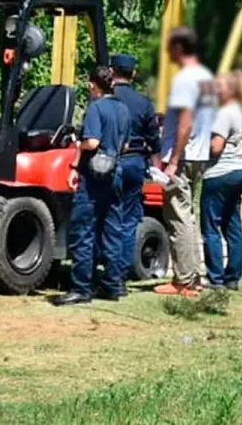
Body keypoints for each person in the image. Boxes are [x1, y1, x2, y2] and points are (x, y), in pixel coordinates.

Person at [53, 66, 131, 306]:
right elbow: (125, 146)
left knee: (84, 231)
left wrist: (79, 148)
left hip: (94, 176)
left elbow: (93, 141)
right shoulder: (123, 109)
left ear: (92, 84)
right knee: (112, 230)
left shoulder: (96, 108)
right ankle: (113, 284)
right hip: (116, 172)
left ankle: (81, 288)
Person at [154, 26, 216, 297]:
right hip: (199, 155)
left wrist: (173, 160)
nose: (167, 52)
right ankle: (194, 276)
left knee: (177, 218)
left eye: (169, 47)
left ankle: (183, 280)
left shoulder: (184, 79)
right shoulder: (206, 78)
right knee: (189, 217)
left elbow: (186, 122)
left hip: (182, 156)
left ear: (179, 48)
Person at [108, 54, 161, 291]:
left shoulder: (103, 100)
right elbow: (154, 139)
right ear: (133, 74)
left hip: (108, 163)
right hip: (135, 163)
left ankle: (103, 272)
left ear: (111, 72)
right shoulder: (143, 104)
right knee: (129, 221)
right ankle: (119, 277)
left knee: (106, 218)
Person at [201, 71, 242, 291]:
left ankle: (215, 277)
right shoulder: (240, 113)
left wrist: (201, 150)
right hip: (239, 170)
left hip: (219, 173)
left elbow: (216, 146)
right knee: (233, 225)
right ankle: (233, 276)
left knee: (210, 226)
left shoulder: (223, 114)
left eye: (219, 86)